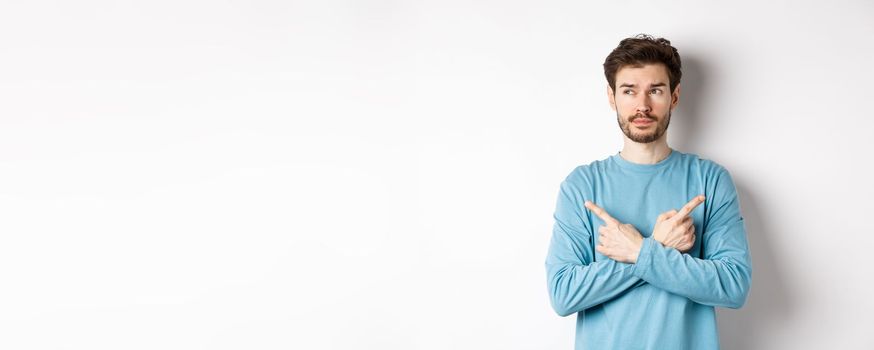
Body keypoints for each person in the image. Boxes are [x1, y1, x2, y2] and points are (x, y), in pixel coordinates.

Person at [544, 34, 752, 349]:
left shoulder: (710, 180)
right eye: (629, 91)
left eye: (655, 90)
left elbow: (734, 285)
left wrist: (639, 251)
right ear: (612, 97)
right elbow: (563, 294)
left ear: (675, 96)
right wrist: (657, 246)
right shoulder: (582, 185)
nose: (642, 105)